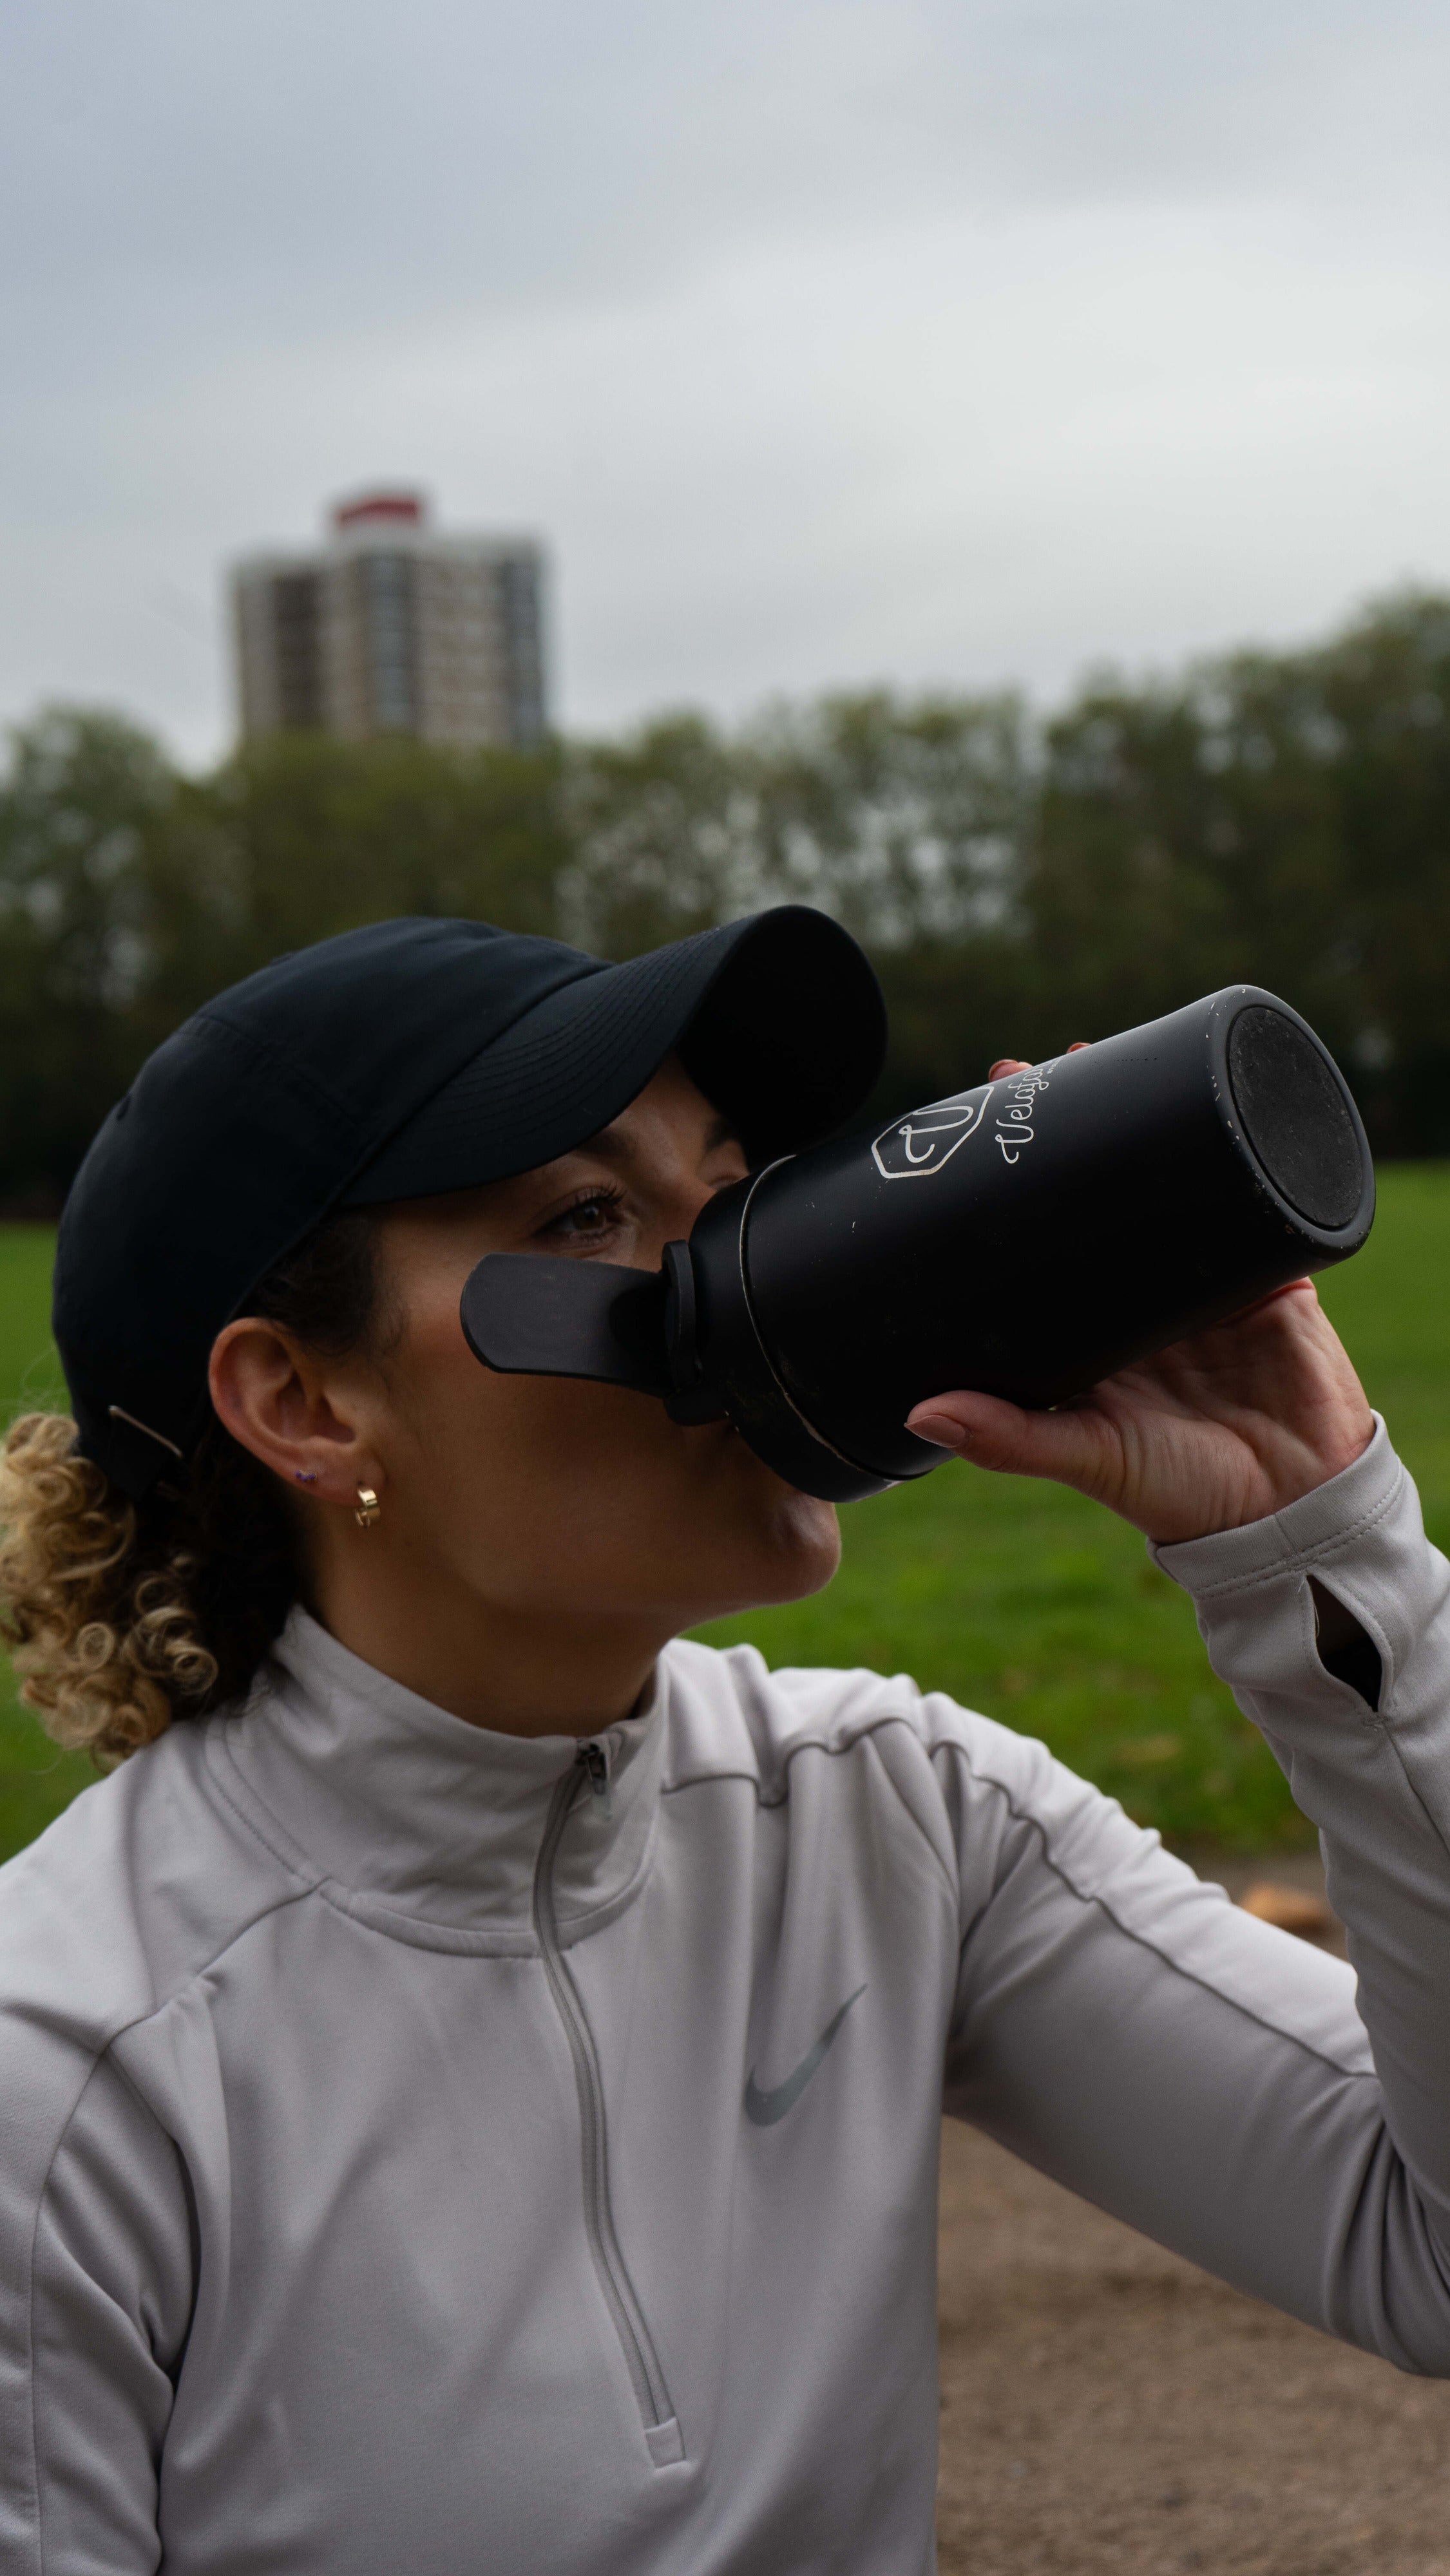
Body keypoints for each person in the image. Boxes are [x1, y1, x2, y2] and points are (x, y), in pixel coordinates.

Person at [0, 907, 1447, 2576]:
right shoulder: (74, 2071)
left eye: (736, 1179)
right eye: (594, 1211)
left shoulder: (888, 1817)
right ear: (306, 1406)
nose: (750, 1258)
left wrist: (1318, 1545)